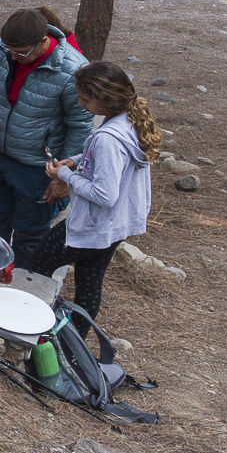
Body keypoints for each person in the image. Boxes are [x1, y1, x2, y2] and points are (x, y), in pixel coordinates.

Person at [33, 62, 160, 336]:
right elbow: (110, 165)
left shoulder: (108, 138)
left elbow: (104, 194)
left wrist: (66, 175)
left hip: (92, 224)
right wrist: (78, 161)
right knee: (89, 282)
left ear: (105, 100)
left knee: (38, 265)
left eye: (85, 99)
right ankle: (75, 340)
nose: (80, 104)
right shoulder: (129, 121)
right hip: (114, 227)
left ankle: (34, 326)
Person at [0, 8, 92, 270]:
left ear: (44, 40)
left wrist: (62, 177)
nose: (12, 56)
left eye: (21, 52)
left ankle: (21, 290)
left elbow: (79, 127)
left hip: (38, 168)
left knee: (29, 235)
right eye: (9, 49)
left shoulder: (72, 70)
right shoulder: (3, 49)